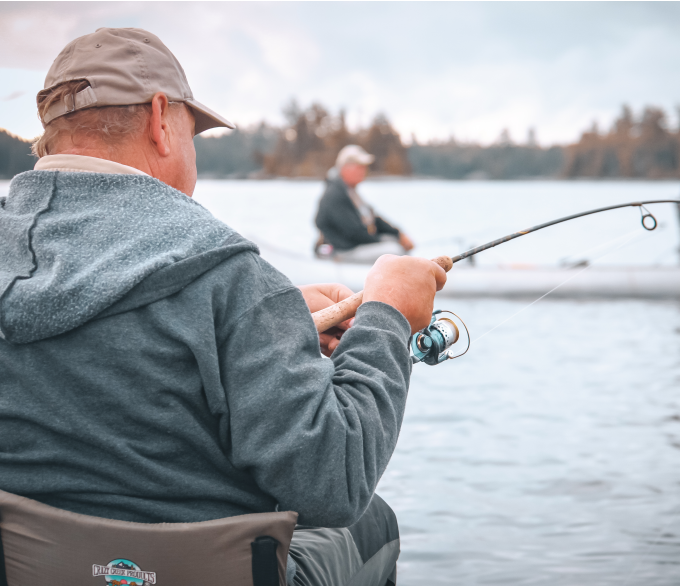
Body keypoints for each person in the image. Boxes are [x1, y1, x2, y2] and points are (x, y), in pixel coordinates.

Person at [0, 28, 447, 586]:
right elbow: (335, 482)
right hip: (201, 574)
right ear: (162, 119)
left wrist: (280, 318)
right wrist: (388, 316)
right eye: (195, 133)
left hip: (36, 569)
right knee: (370, 522)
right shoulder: (225, 273)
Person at [314, 145, 415, 263]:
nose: (364, 171)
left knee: (394, 242)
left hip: (352, 245)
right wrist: (383, 241)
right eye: (359, 167)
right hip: (343, 250)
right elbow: (354, 233)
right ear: (346, 168)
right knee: (395, 250)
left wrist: (398, 234)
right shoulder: (335, 195)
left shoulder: (349, 192)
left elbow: (373, 219)